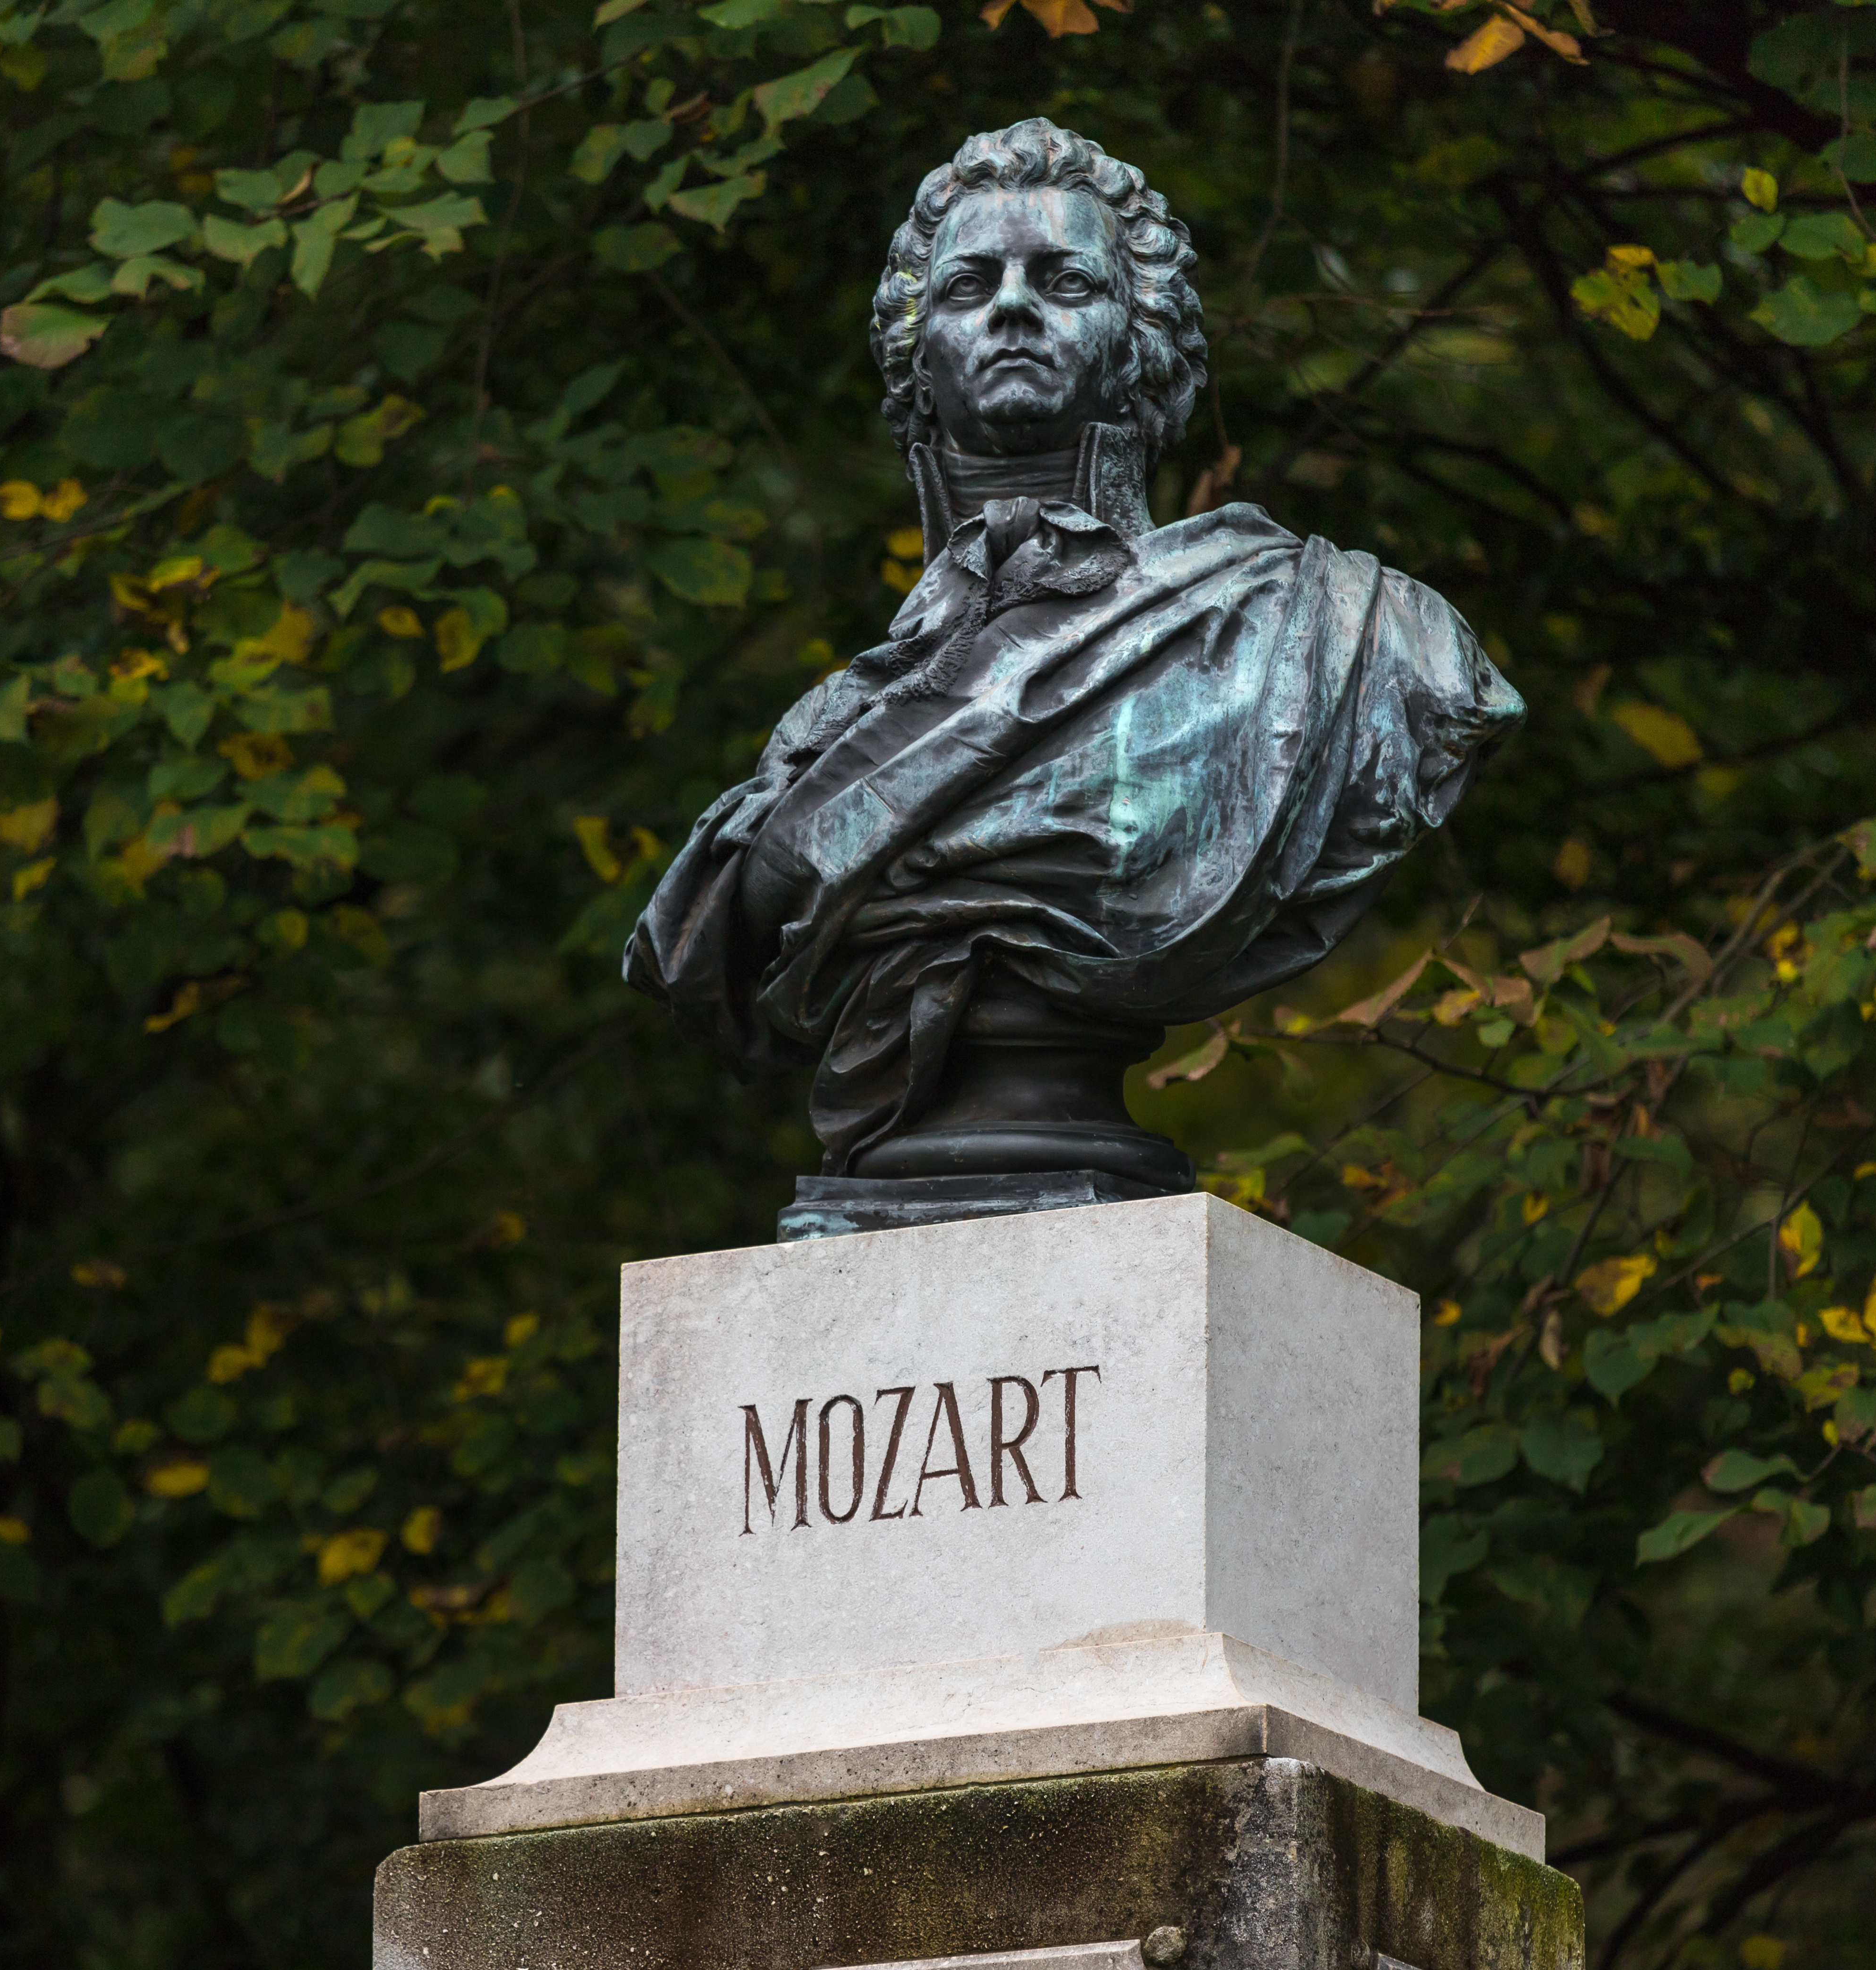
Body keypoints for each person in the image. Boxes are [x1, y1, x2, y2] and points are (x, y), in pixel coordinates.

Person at [625, 118, 1524, 1202]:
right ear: (919, 363)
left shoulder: (1344, 632)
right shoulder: (825, 727)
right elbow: (715, 939)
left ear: (1140, 340)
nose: (1012, 306)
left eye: (1063, 280)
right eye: (970, 286)